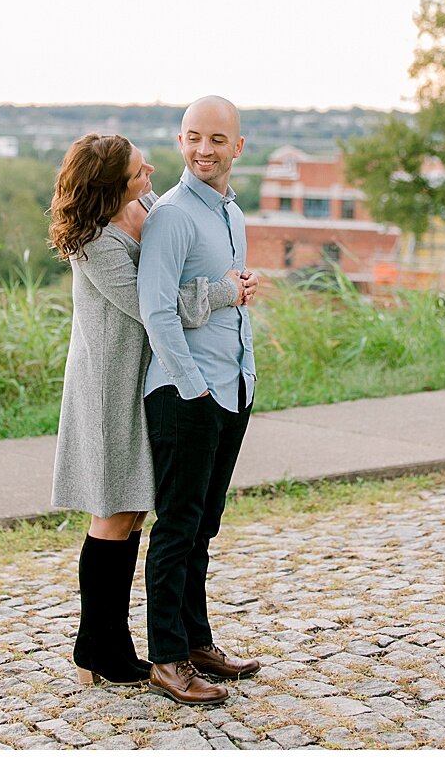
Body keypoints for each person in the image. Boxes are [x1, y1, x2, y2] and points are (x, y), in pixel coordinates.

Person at [49, 134, 253, 687]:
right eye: (141, 170)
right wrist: (222, 292)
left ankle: (110, 643)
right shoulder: (95, 243)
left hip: (149, 374)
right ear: (112, 184)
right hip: (111, 382)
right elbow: (152, 308)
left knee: (138, 508)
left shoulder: (146, 207)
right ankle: (99, 646)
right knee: (115, 512)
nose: (152, 172)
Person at [138, 96, 261, 706]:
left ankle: (195, 640)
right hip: (188, 392)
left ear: (238, 147)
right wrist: (194, 387)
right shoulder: (172, 215)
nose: (203, 150)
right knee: (177, 528)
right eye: (193, 137)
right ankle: (166, 659)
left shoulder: (232, 213)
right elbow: (156, 312)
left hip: (232, 386)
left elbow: (216, 294)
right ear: (179, 140)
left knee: (203, 528)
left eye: (216, 139)